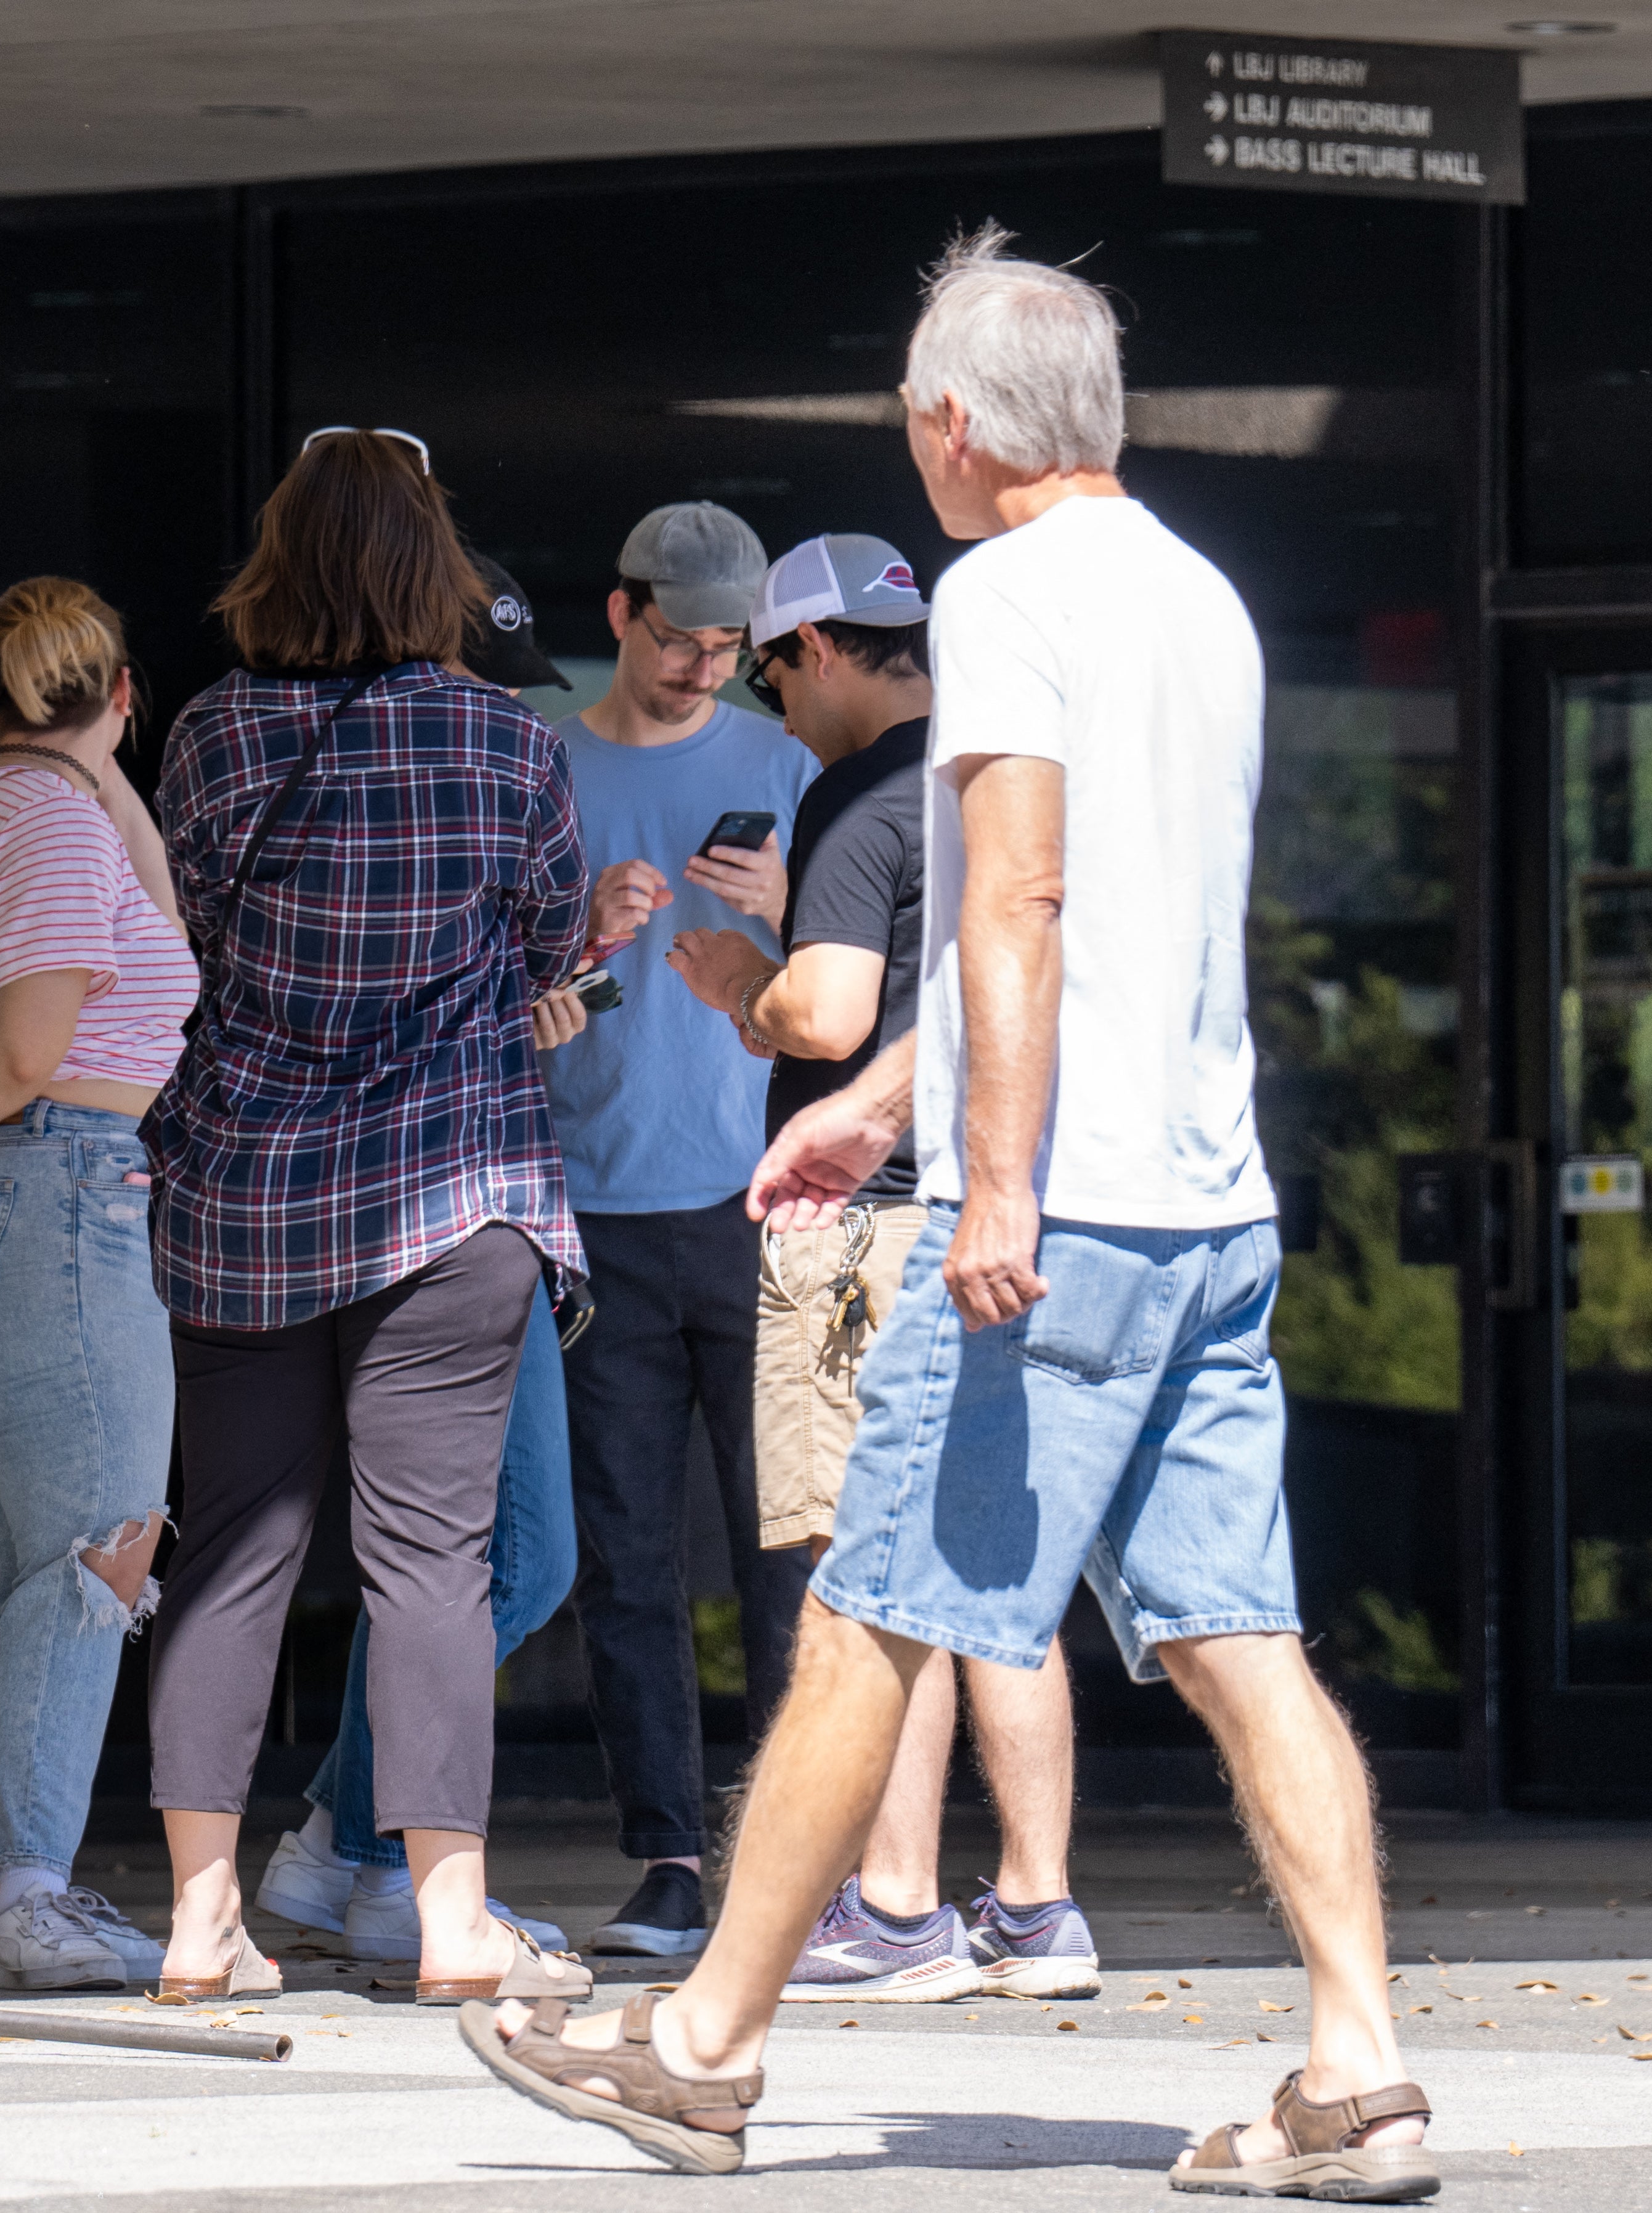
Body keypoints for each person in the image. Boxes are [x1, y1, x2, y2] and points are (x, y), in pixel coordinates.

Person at [468, 226, 1434, 2202]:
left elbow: (1019, 898)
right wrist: (884, 1099)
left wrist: (978, 1177)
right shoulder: (1205, 598)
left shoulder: (1004, 596)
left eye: (915, 416)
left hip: (1054, 1218)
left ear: (956, 425)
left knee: (862, 1621)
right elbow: (1134, 927)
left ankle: (702, 2045)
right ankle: (1360, 2067)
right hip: (1206, 1209)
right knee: (1246, 1637)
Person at [144, 429, 598, 2007]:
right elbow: (548, 944)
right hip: (449, 1193)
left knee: (228, 1557)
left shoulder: (209, 737)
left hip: (242, 1203)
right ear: (436, 575)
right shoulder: (507, 743)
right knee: (431, 1561)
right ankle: (451, 1918)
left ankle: (202, 1922)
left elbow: (179, 939)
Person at [662, 533, 1093, 2007]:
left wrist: (739, 982)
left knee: (863, 1571)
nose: (773, 703)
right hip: (1001, 1212)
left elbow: (833, 1013)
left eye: (774, 667)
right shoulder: (998, 780)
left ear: (825, 651)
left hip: (866, 1225)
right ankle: (1036, 1906)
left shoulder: (854, 794)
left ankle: (897, 1903)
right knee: (994, 1567)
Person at [254, 552, 585, 1965]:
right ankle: (382, 1857)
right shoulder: (415, 762)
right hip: (450, 1203)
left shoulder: (408, 760)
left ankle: (337, 1839)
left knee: (478, 1560)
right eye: (468, 672)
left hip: (433, 1198)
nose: (487, 708)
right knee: (483, 1561)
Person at [0, 577, 199, 1992]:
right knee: (98, 1549)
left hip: (15, 1198)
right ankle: (28, 1891)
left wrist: (94, 757)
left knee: (44, 1557)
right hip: (51, 1179)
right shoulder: (51, 827)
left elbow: (146, 911)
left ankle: (12, 1879)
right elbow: (25, 1046)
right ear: (122, 692)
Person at [535, 501, 816, 1960]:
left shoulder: (785, 764)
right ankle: (664, 1856)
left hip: (758, 1202)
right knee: (627, 1556)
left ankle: (793, 1858)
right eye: (684, 638)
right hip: (588, 1208)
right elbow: (499, 1009)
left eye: (732, 644)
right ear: (618, 613)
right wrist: (578, 942)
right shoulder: (546, 767)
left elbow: (853, 997)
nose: (708, 666)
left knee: (787, 1550)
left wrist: (780, 920)